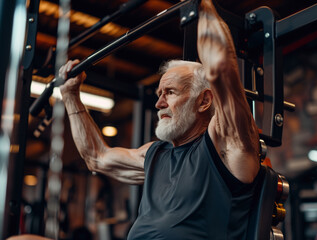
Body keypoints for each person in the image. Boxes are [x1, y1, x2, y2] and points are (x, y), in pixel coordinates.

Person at [59, 0, 261, 239]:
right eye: (159, 94)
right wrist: (70, 95)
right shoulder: (155, 155)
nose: (159, 103)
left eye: (170, 92)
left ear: (204, 101)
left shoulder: (225, 144)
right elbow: (96, 158)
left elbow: (221, 69)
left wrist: (202, 5)